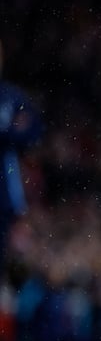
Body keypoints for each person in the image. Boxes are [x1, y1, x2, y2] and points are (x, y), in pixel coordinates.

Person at [0, 38, 42, 279]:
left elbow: (32, 132)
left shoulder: (12, 97)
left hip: (4, 188)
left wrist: (8, 134)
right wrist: (8, 131)